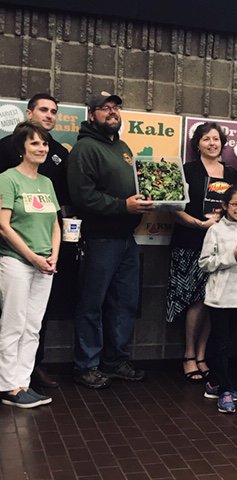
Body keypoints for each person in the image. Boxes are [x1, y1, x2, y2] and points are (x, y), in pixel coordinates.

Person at [67, 91, 154, 389]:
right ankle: (86, 365)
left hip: (126, 239)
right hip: (100, 238)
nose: (112, 112)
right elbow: (82, 196)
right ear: (91, 114)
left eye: (116, 108)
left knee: (124, 303)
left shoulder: (123, 147)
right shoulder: (85, 149)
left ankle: (114, 361)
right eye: (105, 108)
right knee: (92, 304)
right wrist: (123, 206)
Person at [166, 122, 237, 383]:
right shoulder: (187, 171)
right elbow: (173, 208)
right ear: (197, 144)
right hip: (190, 243)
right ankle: (188, 355)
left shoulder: (230, 173)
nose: (212, 143)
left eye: (216, 139)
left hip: (224, 246)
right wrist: (200, 224)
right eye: (206, 139)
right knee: (194, 301)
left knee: (213, 303)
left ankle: (201, 355)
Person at [0, 93, 70, 389]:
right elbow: (3, 225)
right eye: (35, 143)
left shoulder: (46, 183)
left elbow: (56, 223)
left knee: (32, 327)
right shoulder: (7, 178)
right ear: (22, 148)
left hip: (45, 265)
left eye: (44, 143)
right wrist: (32, 257)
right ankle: (8, 386)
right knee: (13, 326)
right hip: (17, 262)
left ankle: (23, 383)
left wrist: (53, 256)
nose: (42, 148)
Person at [198, 185, 237, 414]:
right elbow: (204, 263)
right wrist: (232, 255)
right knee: (221, 343)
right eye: (235, 204)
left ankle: (214, 383)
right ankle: (224, 390)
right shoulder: (215, 231)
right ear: (225, 206)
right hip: (219, 297)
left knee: (230, 343)